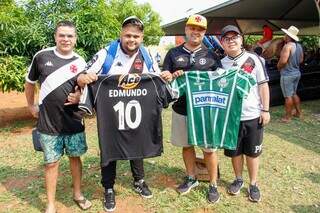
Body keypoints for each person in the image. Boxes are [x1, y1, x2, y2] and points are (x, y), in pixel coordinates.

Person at [77, 16, 171, 212]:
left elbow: (156, 77)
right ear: (121, 34)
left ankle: (139, 181)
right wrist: (84, 77)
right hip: (111, 113)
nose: (131, 40)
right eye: (127, 35)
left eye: (136, 36)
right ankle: (109, 188)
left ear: (142, 37)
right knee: (109, 148)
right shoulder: (106, 54)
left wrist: (165, 76)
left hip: (138, 111)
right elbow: (82, 75)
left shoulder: (146, 55)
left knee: (137, 143)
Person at [24, 20, 92, 213]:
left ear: (75, 39)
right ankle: (51, 204)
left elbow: (87, 88)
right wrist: (30, 105)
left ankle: (78, 194)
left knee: (75, 158)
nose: (65, 39)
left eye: (70, 36)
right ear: (55, 37)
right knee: (51, 163)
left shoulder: (80, 61)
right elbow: (29, 83)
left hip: (74, 120)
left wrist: (79, 96)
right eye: (61, 35)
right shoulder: (41, 57)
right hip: (48, 122)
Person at [161, 14, 222, 203]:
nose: (196, 32)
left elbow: (220, 82)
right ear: (186, 30)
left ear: (204, 33)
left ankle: (213, 184)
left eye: (200, 29)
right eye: (192, 28)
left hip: (205, 111)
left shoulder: (212, 55)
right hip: (181, 108)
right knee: (186, 146)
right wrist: (170, 76)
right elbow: (165, 78)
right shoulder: (173, 53)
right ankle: (191, 177)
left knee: (209, 149)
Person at [220, 25, 270, 202]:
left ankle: (253, 183)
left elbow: (263, 85)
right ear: (222, 43)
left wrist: (265, 110)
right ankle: (238, 179)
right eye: (227, 38)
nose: (231, 40)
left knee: (252, 152)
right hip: (230, 118)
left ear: (241, 40)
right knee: (235, 152)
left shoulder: (253, 59)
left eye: (235, 37)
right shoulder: (220, 63)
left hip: (252, 115)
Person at [277, 26, 304, 123]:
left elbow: (283, 61)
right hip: (296, 73)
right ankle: (298, 113)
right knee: (294, 93)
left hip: (287, 74)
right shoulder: (299, 46)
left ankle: (287, 117)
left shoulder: (287, 46)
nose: (284, 35)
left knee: (288, 96)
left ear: (288, 35)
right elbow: (301, 60)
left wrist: (278, 67)